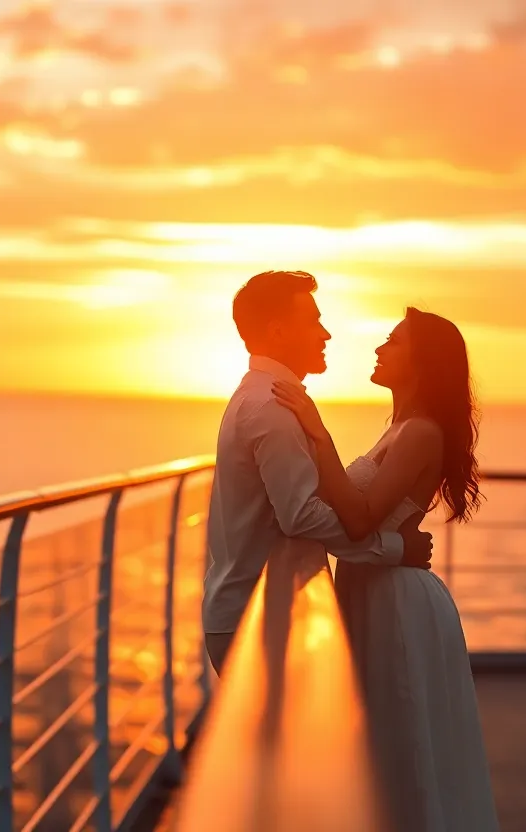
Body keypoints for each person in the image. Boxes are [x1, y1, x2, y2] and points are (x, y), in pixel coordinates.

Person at [273, 306, 501, 832]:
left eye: (392, 342)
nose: (379, 349)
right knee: (374, 740)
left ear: (421, 361)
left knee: (404, 744)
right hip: (371, 587)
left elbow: (359, 519)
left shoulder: (420, 432)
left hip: (397, 599)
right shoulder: (396, 428)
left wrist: (316, 432)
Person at [201, 271, 434, 674]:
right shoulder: (271, 407)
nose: (325, 334)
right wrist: (395, 549)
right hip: (258, 619)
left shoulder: (266, 397)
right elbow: (301, 516)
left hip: (262, 612)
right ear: (277, 331)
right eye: (312, 321)